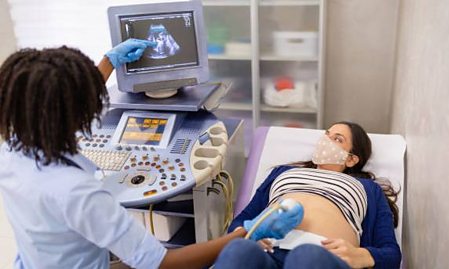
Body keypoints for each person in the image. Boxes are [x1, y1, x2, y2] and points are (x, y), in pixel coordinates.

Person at [0, 39, 303, 269]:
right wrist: (244, 234)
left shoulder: (12, 149)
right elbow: (160, 262)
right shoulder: (78, 193)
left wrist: (109, 60)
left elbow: (62, 98)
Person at [215, 122, 402, 269]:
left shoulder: (367, 188)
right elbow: (242, 221)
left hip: (323, 256)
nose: (326, 141)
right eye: (326, 135)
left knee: (305, 255)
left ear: (351, 159)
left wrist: (361, 255)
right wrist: (249, 233)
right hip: (267, 250)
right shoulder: (284, 172)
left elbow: (391, 253)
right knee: (239, 250)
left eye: (337, 139)